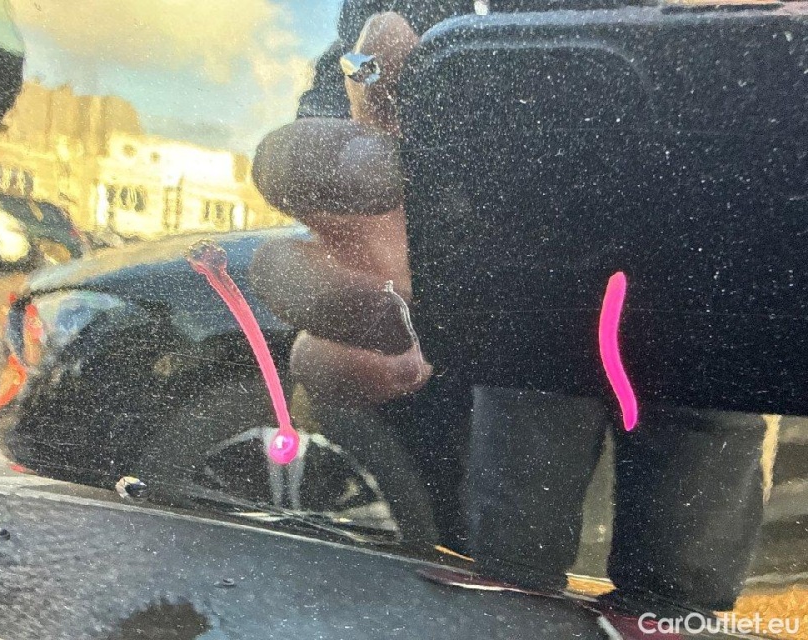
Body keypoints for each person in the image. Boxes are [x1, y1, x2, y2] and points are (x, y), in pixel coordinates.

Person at [249, 0, 768, 619]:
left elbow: (374, 40)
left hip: (606, 283)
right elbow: (367, 49)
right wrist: (363, 125)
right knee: (631, 579)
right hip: (603, 282)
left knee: (541, 565)